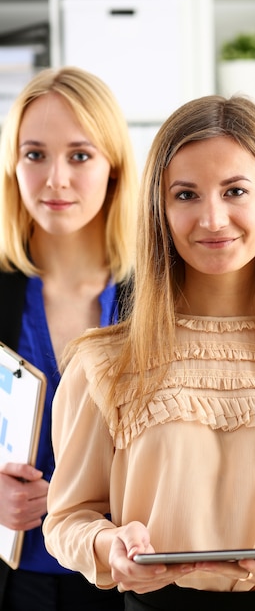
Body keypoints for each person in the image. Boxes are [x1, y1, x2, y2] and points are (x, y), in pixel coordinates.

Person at [43, 94, 255, 611]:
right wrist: (114, 549)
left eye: (235, 190)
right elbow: (67, 520)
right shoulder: (102, 364)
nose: (213, 218)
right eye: (186, 195)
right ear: (159, 209)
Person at [0, 65, 139, 610]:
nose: (56, 178)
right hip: (17, 580)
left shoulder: (156, 296)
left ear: (114, 168)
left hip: (124, 575)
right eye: (35, 154)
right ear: (14, 166)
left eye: (80, 155)